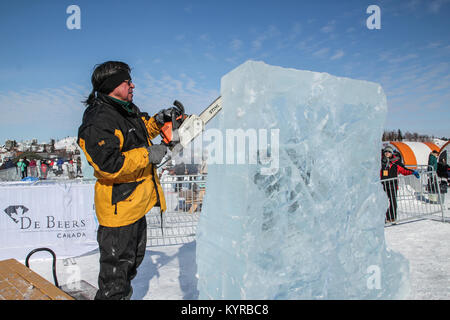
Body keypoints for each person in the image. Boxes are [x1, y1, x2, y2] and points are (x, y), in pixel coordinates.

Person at [77, 61, 178, 300]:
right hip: (118, 210)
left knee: (129, 267)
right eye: (127, 81)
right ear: (113, 85)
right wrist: (148, 154)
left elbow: (138, 130)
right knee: (115, 281)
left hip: (133, 205)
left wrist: (157, 120)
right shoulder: (98, 120)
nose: (132, 85)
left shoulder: (124, 109)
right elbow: (107, 164)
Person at [380, 146, 419, 223]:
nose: (387, 153)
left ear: (391, 153)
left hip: (392, 185)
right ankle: (382, 217)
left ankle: (392, 217)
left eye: (389, 152)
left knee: (392, 202)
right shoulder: (381, 161)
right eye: (386, 152)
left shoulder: (396, 162)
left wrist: (412, 172)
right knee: (382, 202)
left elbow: (404, 170)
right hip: (382, 185)